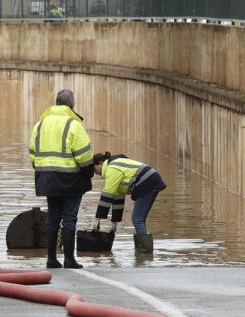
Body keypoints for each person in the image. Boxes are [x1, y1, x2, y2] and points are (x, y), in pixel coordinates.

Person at [29, 89, 94, 268]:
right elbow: (84, 156)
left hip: (47, 178)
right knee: (70, 218)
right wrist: (88, 172)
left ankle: (51, 259)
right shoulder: (74, 124)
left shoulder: (40, 124)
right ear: (71, 104)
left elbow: (33, 154)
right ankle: (69, 259)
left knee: (52, 217)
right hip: (71, 179)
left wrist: (43, 170)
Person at [89, 152, 167, 253]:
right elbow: (118, 198)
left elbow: (106, 195)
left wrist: (97, 219)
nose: (95, 173)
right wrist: (114, 222)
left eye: (95, 169)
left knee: (137, 219)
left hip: (147, 182)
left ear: (100, 163)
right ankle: (143, 251)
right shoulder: (113, 166)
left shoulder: (112, 168)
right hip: (150, 180)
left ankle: (145, 252)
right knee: (139, 219)